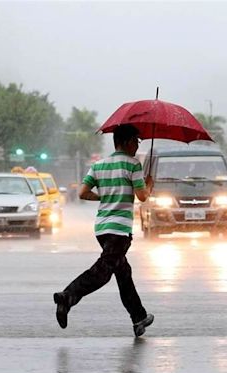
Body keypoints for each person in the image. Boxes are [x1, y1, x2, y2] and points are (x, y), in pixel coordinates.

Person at [53, 124, 155, 337]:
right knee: (103, 273)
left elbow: (82, 193)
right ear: (127, 142)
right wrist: (149, 185)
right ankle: (68, 296)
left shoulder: (99, 165)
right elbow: (142, 196)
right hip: (119, 230)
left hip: (102, 229)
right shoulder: (133, 165)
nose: (137, 145)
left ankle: (139, 317)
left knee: (123, 273)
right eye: (136, 140)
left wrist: (105, 197)